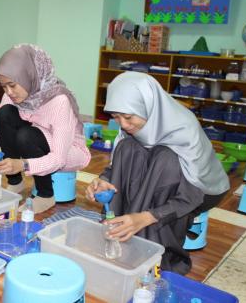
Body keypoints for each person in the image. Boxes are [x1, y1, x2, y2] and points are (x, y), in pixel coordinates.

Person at [85, 71, 229, 274]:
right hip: (161, 181)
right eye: (116, 117)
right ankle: (119, 229)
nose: (123, 124)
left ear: (148, 105)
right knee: (128, 147)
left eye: (128, 117)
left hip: (198, 192)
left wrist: (145, 217)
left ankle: (151, 251)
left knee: (165, 158)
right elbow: (117, 166)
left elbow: (191, 194)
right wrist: (104, 180)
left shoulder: (184, 130)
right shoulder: (129, 129)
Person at [0, 44, 91, 214]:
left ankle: (45, 195)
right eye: (4, 86)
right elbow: (1, 129)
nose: (9, 92)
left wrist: (22, 164)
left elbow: (59, 158)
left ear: (28, 76)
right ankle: (15, 182)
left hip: (68, 151)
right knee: (5, 113)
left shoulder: (59, 101)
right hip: (35, 138)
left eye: (12, 85)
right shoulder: (11, 94)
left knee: (26, 135)